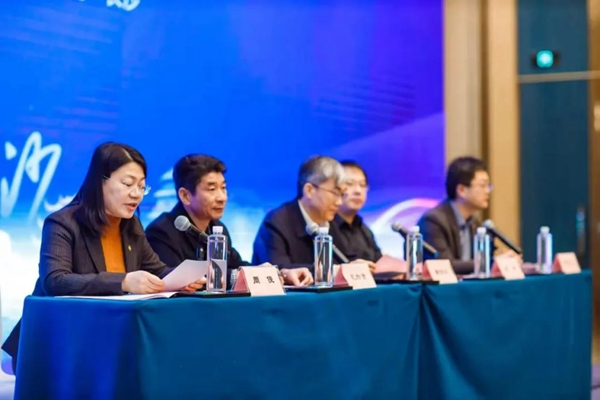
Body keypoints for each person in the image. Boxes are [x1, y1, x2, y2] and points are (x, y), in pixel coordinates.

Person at [2, 142, 202, 374]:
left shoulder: (131, 226)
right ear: (100, 181)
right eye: (128, 184)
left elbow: (156, 269)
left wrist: (182, 279)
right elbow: (55, 281)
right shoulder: (63, 223)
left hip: (107, 339)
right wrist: (123, 282)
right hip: (61, 342)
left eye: (141, 186)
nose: (136, 194)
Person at [146, 154, 312, 287]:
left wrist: (280, 273)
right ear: (185, 196)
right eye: (212, 189)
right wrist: (237, 276)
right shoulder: (161, 232)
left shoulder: (218, 229)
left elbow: (238, 265)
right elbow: (177, 282)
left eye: (223, 188)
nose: (222, 197)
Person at [252, 156, 376, 272]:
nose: (339, 202)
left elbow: (343, 262)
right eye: (335, 193)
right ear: (309, 190)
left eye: (342, 194)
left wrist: (354, 267)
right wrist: (335, 270)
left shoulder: (330, 223)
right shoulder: (277, 222)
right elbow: (277, 270)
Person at [417, 156, 518, 274]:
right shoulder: (433, 221)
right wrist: (490, 262)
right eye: (482, 185)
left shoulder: (475, 223)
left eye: (488, 186)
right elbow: (443, 265)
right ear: (461, 190)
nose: (487, 191)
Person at [335, 160, 382, 263]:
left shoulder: (364, 230)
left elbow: (379, 261)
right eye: (349, 184)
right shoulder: (324, 227)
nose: (358, 191)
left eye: (362, 185)